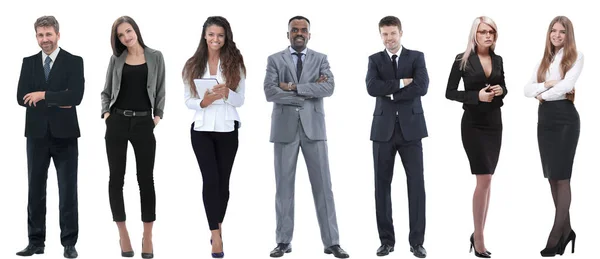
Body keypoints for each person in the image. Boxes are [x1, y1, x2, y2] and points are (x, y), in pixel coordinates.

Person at [263, 15, 349, 259]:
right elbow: (270, 92)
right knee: (283, 188)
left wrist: (291, 87)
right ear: (288, 33)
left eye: (303, 30)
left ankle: (332, 242)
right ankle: (283, 241)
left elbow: (329, 88)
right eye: (294, 30)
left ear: (309, 34)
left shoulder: (321, 59)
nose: (298, 33)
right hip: (284, 130)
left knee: (324, 186)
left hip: (314, 129)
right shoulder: (274, 59)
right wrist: (308, 91)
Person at [15, 15, 84, 259]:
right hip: (36, 135)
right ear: (36, 36)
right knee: (35, 189)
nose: (45, 40)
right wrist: (58, 98)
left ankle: (69, 243)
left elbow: (75, 97)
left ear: (57, 34)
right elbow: (21, 97)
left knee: (68, 190)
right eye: (40, 35)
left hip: (65, 136)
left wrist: (44, 95)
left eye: (48, 34)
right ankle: (35, 242)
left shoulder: (74, 62)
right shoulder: (29, 62)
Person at [100, 16, 165, 259]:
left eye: (128, 31)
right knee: (116, 178)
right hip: (116, 121)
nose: (126, 37)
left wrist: (156, 117)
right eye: (121, 35)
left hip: (143, 122)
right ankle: (123, 233)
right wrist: (107, 114)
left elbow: (160, 91)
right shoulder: (116, 60)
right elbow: (106, 91)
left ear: (136, 30)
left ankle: (147, 235)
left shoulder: (156, 56)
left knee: (146, 179)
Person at [181, 16, 245, 258]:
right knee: (210, 180)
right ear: (204, 36)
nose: (215, 39)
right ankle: (216, 236)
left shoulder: (235, 63)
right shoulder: (192, 64)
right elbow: (188, 100)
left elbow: (241, 99)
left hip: (228, 128)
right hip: (202, 129)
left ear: (225, 37)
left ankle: (217, 225)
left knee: (223, 183)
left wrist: (227, 92)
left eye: (220, 35)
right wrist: (204, 101)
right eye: (211, 35)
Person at [366, 15, 429, 258]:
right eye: (385, 34)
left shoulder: (416, 57)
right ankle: (386, 241)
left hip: (411, 129)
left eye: (393, 33)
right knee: (381, 186)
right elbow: (372, 87)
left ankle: (417, 242)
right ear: (380, 35)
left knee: (416, 185)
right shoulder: (374, 60)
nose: (389, 38)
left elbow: (422, 86)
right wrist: (402, 83)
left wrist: (390, 92)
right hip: (382, 132)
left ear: (400, 33)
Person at [445, 16, 507, 258]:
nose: (488, 35)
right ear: (475, 34)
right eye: (483, 32)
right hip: (473, 125)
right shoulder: (462, 60)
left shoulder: (498, 59)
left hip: (495, 124)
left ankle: (478, 231)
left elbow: (503, 89)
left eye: (491, 31)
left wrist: (502, 91)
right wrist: (475, 97)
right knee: (483, 180)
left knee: (488, 179)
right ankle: (479, 236)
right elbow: (449, 92)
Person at [523, 15, 582, 257]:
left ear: (569, 35)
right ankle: (567, 231)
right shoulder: (544, 60)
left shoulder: (576, 57)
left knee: (563, 178)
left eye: (562, 32)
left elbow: (566, 87)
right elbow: (527, 90)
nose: (557, 35)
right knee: (551, 177)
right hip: (545, 121)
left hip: (565, 119)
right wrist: (545, 85)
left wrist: (542, 93)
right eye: (553, 31)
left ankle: (555, 236)